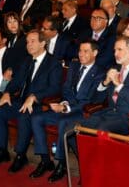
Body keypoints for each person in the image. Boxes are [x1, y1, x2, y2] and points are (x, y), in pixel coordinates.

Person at [29, 40, 105, 182]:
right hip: (66, 107)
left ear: (95, 53)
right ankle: (45, 160)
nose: (81, 54)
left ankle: (61, 165)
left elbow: (89, 100)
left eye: (86, 51)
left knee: (64, 122)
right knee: (36, 118)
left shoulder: (100, 72)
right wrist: (64, 104)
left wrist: (66, 107)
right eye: (80, 51)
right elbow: (66, 89)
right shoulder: (74, 66)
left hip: (82, 112)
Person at [0, 30, 62, 172]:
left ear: (43, 43)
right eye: (27, 41)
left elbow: (54, 88)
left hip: (40, 104)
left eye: (33, 41)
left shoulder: (53, 63)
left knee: (24, 116)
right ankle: (2, 151)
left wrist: (34, 96)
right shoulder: (27, 60)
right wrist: (7, 93)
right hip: (21, 100)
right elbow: (15, 82)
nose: (29, 45)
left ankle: (20, 155)